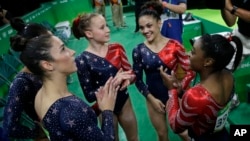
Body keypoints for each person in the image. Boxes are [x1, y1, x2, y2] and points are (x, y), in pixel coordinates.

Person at [10, 33, 119, 140]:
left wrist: (100, 104)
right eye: (63, 49)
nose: (72, 52)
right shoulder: (70, 110)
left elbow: (77, 125)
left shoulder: (41, 95)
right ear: (48, 65)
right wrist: (107, 111)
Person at [160, 33, 243, 141]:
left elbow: (176, 126)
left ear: (208, 61)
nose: (188, 54)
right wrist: (181, 91)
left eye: (193, 52)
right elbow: (204, 107)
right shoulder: (229, 76)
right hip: (221, 134)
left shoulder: (195, 95)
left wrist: (172, 91)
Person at [132, 1, 195, 141]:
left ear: (159, 23)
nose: (145, 31)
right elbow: (138, 79)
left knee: (184, 134)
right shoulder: (138, 50)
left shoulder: (175, 46)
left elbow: (190, 72)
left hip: (176, 95)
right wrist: (151, 99)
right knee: (162, 134)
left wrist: (178, 89)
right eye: (141, 27)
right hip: (153, 97)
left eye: (149, 26)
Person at [71, 13, 138, 141]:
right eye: (102, 28)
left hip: (125, 103)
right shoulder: (82, 60)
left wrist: (128, 78)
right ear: (89, 34)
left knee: (134, 138)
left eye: (106, 25)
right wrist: (114, 82)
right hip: (105, 110)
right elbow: (90, 96)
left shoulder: (117, 48)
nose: (108, 30)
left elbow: (132, 73)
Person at [3, 17, 51, 141]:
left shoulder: (49, 69)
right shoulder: (22, 82)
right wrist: (36, 133)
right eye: (50, 43)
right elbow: (10, 125)